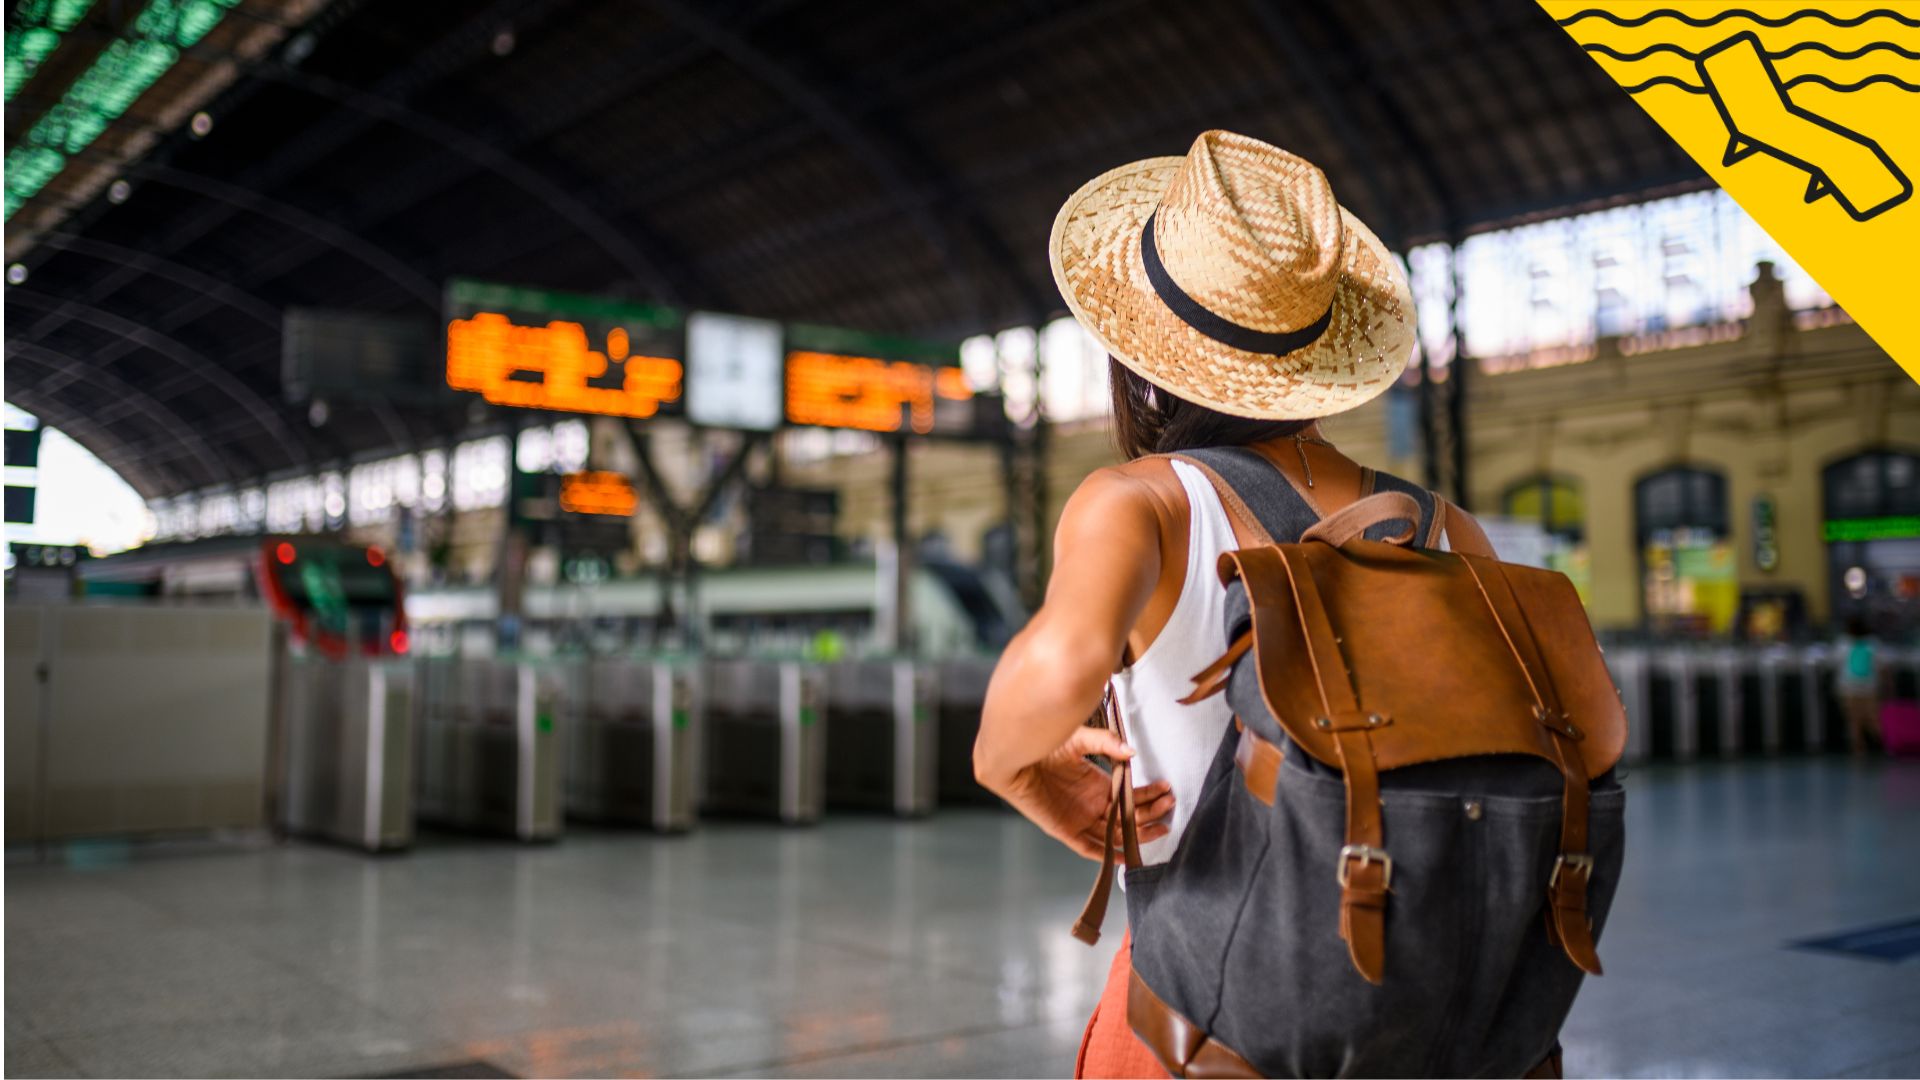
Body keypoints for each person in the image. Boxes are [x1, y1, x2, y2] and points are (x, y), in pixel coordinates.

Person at [972, 130, 1429, 1078]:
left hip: (1209, 1011)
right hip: (1422, 1009)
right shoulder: (1440, 524)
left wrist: (1021, 770)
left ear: (1137, 346)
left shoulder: (1143, 502)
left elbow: (1050, 677)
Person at [1838, 616, 1882, 755]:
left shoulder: (1844, 644)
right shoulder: (1873, 643)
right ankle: (1885, 744)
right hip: (1869, 686)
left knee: (1854, 719)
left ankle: (1858, 748)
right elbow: (1882, 664)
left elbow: (1835, 661)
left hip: (1849, 686)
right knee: (1873, 718)